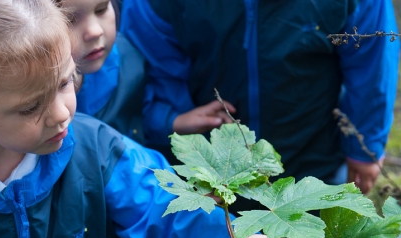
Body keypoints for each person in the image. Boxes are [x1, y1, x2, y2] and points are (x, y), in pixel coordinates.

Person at [0, 0, 291, 238]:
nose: (61, 114)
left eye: (66, 82)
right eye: (31, 107)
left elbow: (160, 208)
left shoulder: (93, 146)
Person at [120, 0, 400, 203]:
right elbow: (153, 61)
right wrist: (173, 120)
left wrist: (365, 146)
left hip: (315, 147)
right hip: (216, 161)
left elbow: (372, 66)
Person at [55, 0, 197, 238]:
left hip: (143, 209)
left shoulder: (128, 56)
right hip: (84, 236)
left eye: (102, 8)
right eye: (68, 18)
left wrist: (172, 121)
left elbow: (144, 109)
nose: (93, 31)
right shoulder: (37, 101)